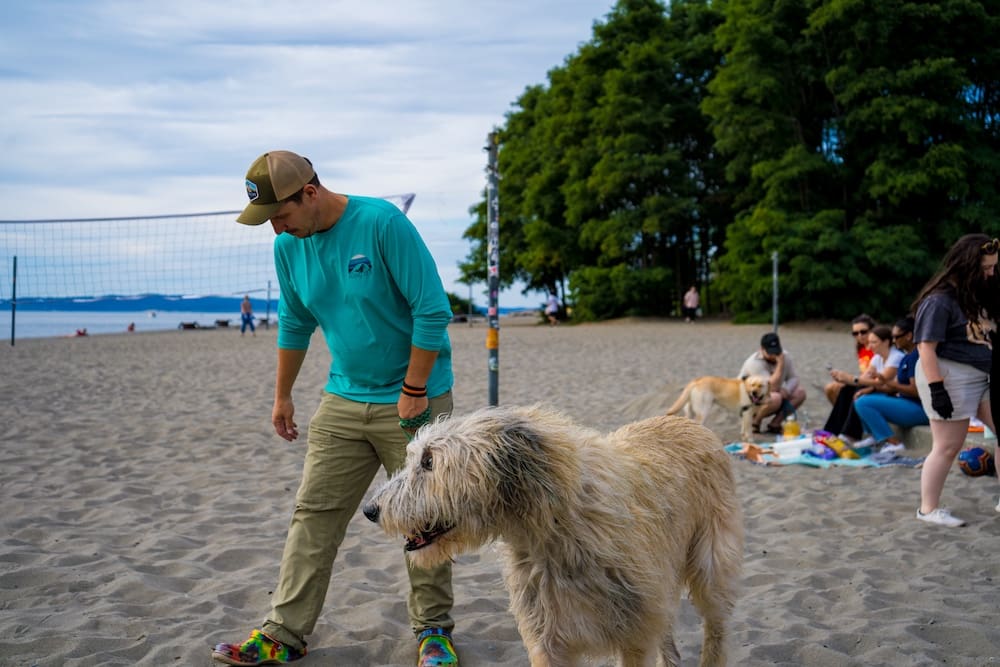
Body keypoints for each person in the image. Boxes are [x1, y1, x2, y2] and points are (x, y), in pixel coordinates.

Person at [212, 150, 459, 666]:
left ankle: (434, 633)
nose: (276, 228)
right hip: (344, 397)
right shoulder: (288, 246)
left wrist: (414, 389)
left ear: (310, 192)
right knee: (313, 515)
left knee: (425, 516)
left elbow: (432, 309)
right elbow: (295, 322)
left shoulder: (382, 223)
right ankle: (282, 634)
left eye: (280, 215)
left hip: (414, 397)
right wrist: (283, 394)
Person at [912, 233, 997, 528]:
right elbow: (925, 348)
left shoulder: (979, 293)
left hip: (981, 375)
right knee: (948, 445)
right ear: (968, 266)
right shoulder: (940, 300)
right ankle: (928, 509)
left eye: (993, 267)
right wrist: (938, 390)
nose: (991, 273)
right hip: (948, 374)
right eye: (986, 268)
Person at [852, 317, 928, 452]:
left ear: (909, 336)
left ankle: (894, 443)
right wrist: (870, 389)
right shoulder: (907, 356)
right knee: (861, 399)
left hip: (919, 409)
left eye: (896, 337)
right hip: (907, 402)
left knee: (864, 403)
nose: (894, 341)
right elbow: (897, 385)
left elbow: (916, 391)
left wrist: (887, 382)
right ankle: (875, 436)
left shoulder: (915, 357)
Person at [739, 332, 807, 434]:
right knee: (775, 397)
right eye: (770, 353)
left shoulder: (784, 355)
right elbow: (771, 387)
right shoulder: (754, 363)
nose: (774, 356)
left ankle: (775, 424)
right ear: (762, 349)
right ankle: (755, 422)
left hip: (768, 395)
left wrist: (786, 389)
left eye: (777, 351)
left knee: (800, 393)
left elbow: (794, 378)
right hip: (748, 400)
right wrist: (780, 364)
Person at [824, 314, 876, 404]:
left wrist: (847, 378)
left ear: (871, 331)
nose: (859, 336)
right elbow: (864, 373)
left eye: (863, 332)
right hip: (863, 381)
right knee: (830, 389)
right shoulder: (861, 348)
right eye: (855, 333)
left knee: (835, 388)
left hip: (874, 384)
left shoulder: (876, 348)